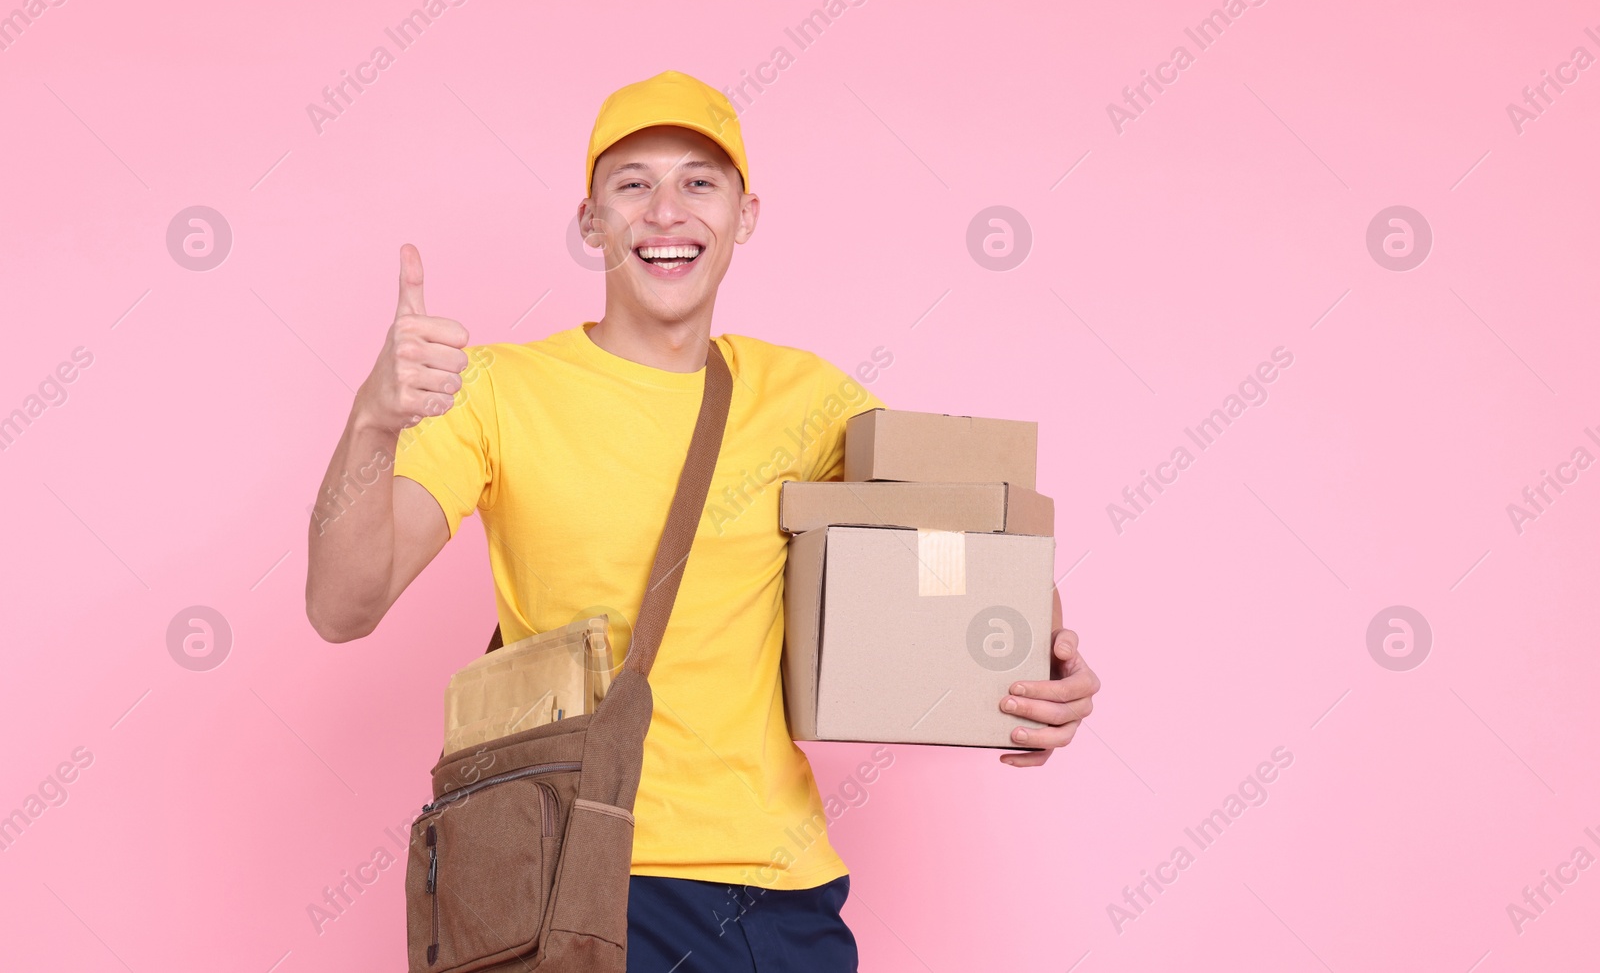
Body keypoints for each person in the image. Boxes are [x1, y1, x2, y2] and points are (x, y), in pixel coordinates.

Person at [304, 70, 1100, 971]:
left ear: (745, 216)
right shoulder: (498, 391)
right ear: (590, 220)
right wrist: (372, 419)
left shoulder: (805, 399)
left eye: (699, 181)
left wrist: (1039, 654)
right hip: (575, 878)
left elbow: (960, 544)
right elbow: (343, 605)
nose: (665, 211)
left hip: (780, 894)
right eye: (632, 183)